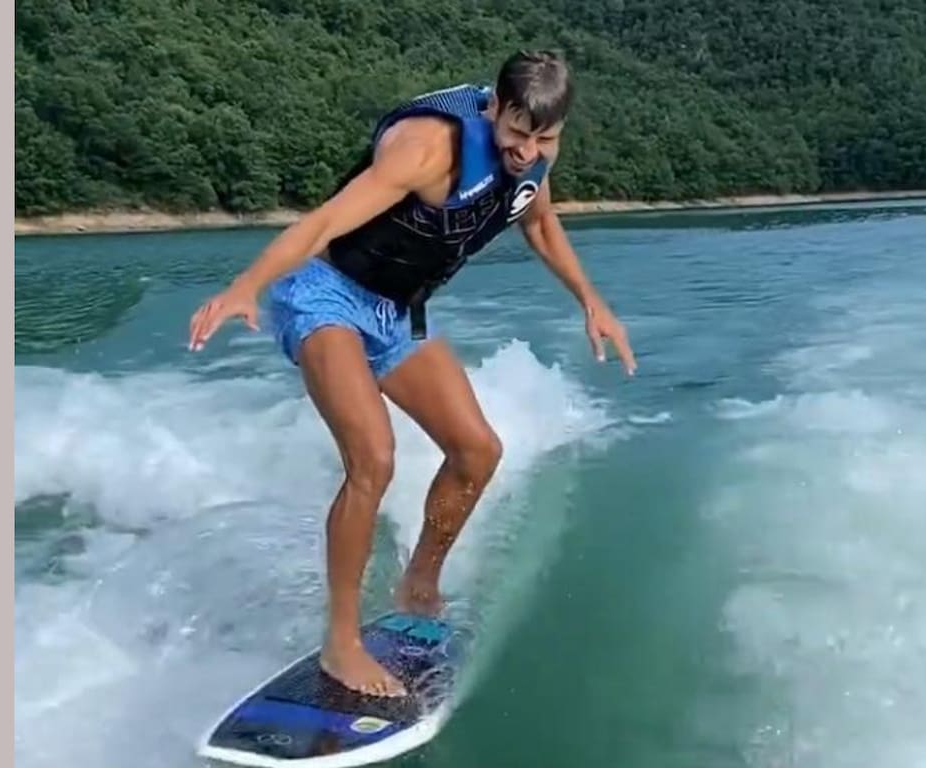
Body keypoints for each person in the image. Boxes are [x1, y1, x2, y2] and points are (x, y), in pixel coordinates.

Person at [187, 50, 636, 698]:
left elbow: (536, 219)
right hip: (325, 294)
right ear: (493, 108)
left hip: (396, 313)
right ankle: (340, 646)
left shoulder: (537, 149)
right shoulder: (427, 149)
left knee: (477, 450)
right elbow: (322, 223)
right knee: (373, 456)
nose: (526, 150)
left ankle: (418, 584)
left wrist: (590, 300)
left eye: (544, 138)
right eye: (516, 133)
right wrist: (245, 286)